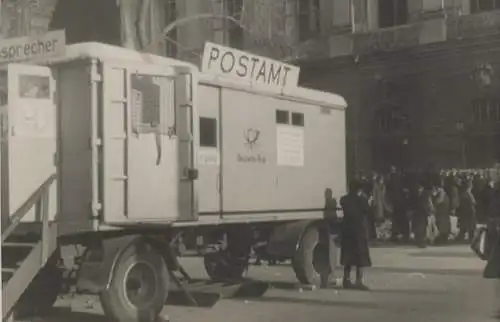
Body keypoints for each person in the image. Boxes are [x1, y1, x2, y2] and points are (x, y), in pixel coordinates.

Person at [340, 180, 372, 290]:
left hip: (347, 231)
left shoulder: (343, 200)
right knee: (360, 256)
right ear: (359, 190)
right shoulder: (362, 200)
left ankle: (346, 279)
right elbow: (367, 211)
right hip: (359, 231)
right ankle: (359, 281)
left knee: (348, 256)